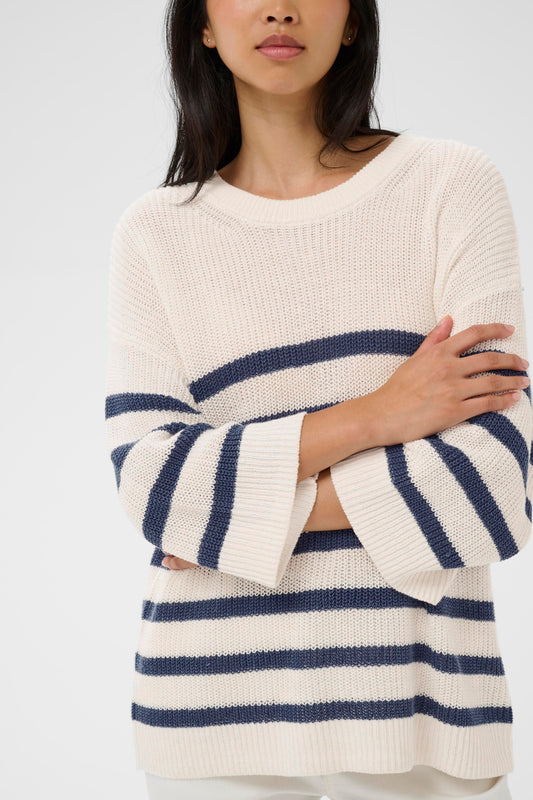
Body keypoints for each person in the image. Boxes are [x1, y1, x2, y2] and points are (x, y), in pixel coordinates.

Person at [104, 0, 532, 798]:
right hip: (211, 721)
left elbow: (491, 484)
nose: (278, 7)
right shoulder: (154, 233)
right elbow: (153, 489)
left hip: (416, 714)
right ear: (200, 22)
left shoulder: (448, 185)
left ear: (353, 20)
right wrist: (379, 414)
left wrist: (235, 518)